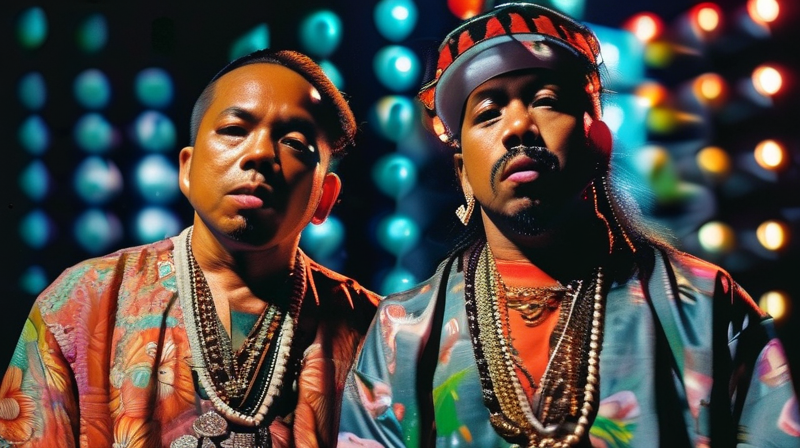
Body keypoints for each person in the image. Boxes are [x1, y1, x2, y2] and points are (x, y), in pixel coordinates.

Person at [337, 3, 799, 447]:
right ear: (463, 173)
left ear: (599, 141)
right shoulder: (403, 333)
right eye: (488, 113)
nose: (518, 127)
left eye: (546, 101)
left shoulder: (704, 304)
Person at [0, 49, 379, 448]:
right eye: (234, 129)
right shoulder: (82, 302)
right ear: (186, 169)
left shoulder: (374, 331)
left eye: (295, 143)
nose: (260, 155)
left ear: (325, 197)